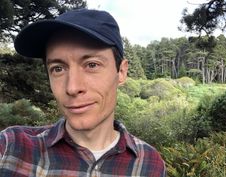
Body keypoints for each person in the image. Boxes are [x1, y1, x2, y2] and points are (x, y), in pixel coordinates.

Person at [0, 8, 166, 176]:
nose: (72, 87)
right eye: (58, 69)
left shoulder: (150, 164)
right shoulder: (11, 149)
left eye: (92, 65)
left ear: (121, 72)